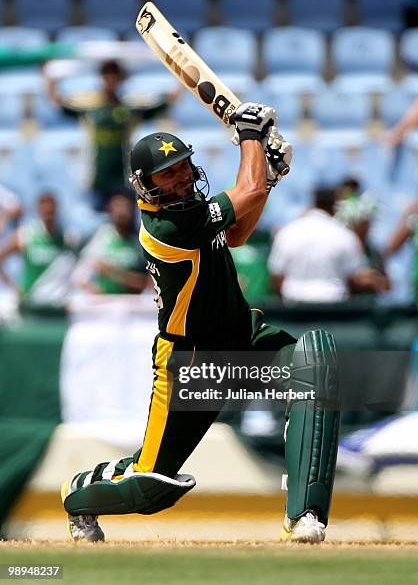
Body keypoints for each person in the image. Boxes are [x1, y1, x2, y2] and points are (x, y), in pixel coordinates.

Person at [61, 103, 340, 545]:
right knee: (151, 488)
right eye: (166, 175)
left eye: (182, 167)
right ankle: (81, 493)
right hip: (193, 361)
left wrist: (266, 178)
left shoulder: (193, 209)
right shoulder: (168, 225)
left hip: (242, 337)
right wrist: (251, 137)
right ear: (145, 185)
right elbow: (244, 189)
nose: (180, 178)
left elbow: (236, 233)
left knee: (314, 363)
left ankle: (304, 515)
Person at [45, 59, 179, 211]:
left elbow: (166, 103)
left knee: (124, 220)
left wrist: (181, 75)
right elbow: (57, 103)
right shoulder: (89, 108)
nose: (110, 79)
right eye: (107, 74)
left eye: (114, 74)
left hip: (124, 179)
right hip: (95, 179)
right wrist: (50, 77)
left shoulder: (130, 108)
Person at [268, 187, 388, 304]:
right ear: (334, 205)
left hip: (294, 307)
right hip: (332, 308)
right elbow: (354, 278)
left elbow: (276, 277)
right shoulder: (344, 235)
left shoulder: (287, 232)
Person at [0, 192, 77, 299]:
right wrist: (15, 289)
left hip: (58, 301)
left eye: (51, 209)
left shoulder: (68, 237)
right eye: (45, 208)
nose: (48, 211)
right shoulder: (26, 234)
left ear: (57, 209)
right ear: (38, 210)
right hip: (32, 299)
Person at [73, 191, 148, 295]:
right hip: (106, 305)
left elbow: (148, 282)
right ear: (109, 210)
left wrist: (112, 272)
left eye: (126, 206)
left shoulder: (140, 240)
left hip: (134, 305)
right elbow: (80, 276)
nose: (122, 212)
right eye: (117, 206)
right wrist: (93, 289)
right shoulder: (102, 237)